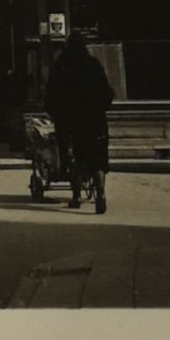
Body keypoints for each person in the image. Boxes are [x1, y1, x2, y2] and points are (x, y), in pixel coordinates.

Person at [44, 33, 115, 213]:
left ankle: (76, 196)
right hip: (94, 120)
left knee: (73, 157)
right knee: (98, 159)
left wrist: (55, 112)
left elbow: (51, 94)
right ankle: (101, 193)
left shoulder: (61, 66)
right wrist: (100, 108)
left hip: (70, 121)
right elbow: (107, 93)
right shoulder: (93, 65)